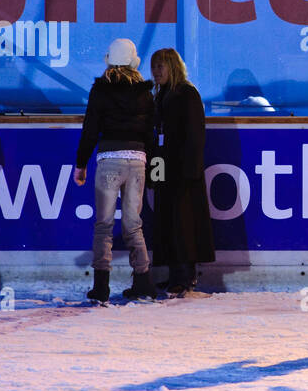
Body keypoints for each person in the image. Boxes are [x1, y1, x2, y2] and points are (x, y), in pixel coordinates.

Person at [74, 39, 156, 303]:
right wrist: (152, 161)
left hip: (109, 159)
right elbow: (150, 132)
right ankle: (143, 281)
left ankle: (101, 287)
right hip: (138, 160)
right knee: (134, 225)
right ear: (134, 60)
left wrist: (81, 163)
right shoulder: (145, 92)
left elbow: (90, 129)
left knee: (104, 226)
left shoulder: (100, 90)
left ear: (109, 59)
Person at [148, 48, 215, 296]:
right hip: (164, 168)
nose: (156, 72)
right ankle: (174, 274)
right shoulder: (160, 95)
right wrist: (154, 174)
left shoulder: (187, 93)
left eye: (160, 66)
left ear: (173, 67)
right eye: (154, 67)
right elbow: (156, 138)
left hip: (183, 171)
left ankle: (185, 276)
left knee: (183, 223)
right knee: (166, 221)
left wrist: (190, 171)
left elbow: (196, 136)